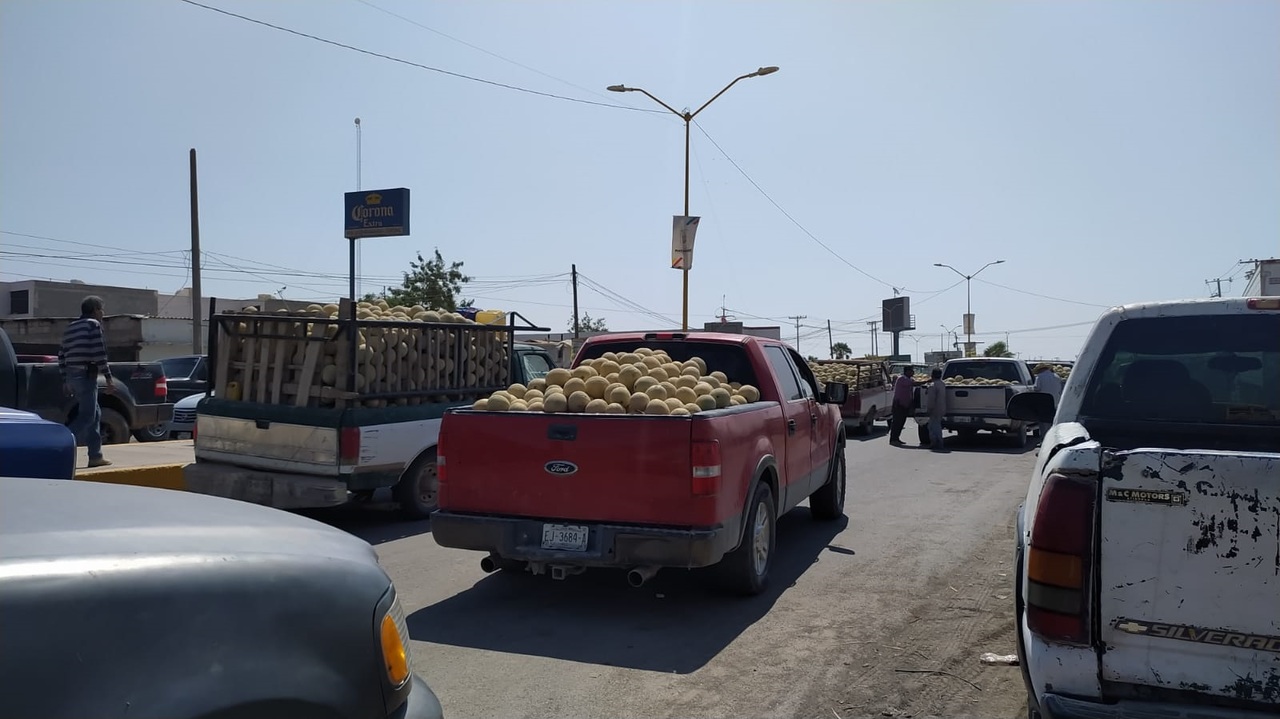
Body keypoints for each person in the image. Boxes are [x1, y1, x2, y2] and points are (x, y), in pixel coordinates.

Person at [58, 296, 115, 468]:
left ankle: (95, 456)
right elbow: (99, 353)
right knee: (87, 416)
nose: (103, 313)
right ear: (96, 309)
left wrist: (65, 379)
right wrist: (109, 378)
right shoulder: (93, 325)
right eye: (101, 309)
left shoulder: (70, 327)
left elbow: (61, 354)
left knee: (95, 415)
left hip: (73, 376)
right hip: (85, 376)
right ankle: (60, 445)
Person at [1032, 363, 1064, 442]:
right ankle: (1052, 440)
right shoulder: (1057, 377)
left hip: (1043, 402)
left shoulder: (1039, 377)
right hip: (1055, 402)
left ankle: (1044, 440)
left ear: (1040, 370)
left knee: (1043, 423)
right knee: (1052, 422)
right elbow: (1060, 390)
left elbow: (1037, 388)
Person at [888, 365, 918, 446]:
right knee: (897, 422)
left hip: (905, 405)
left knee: (901, 422)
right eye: (911, 370)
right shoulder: (902, 379)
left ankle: (897, 438)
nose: (913, 372)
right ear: (907, 371)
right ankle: (893, 439)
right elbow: (914, 384)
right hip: (899, 404)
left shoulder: (909, 379)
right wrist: (928, 381)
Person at [926, 367, 947, 451]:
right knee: (937, 425)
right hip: (942, 407)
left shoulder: (932, 385)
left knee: (932, 426)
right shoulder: (942, 384)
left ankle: (936, 442)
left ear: (932, 375)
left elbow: (931, 399)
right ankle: (938, 442)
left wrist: (929, 409)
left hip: (935, 408)